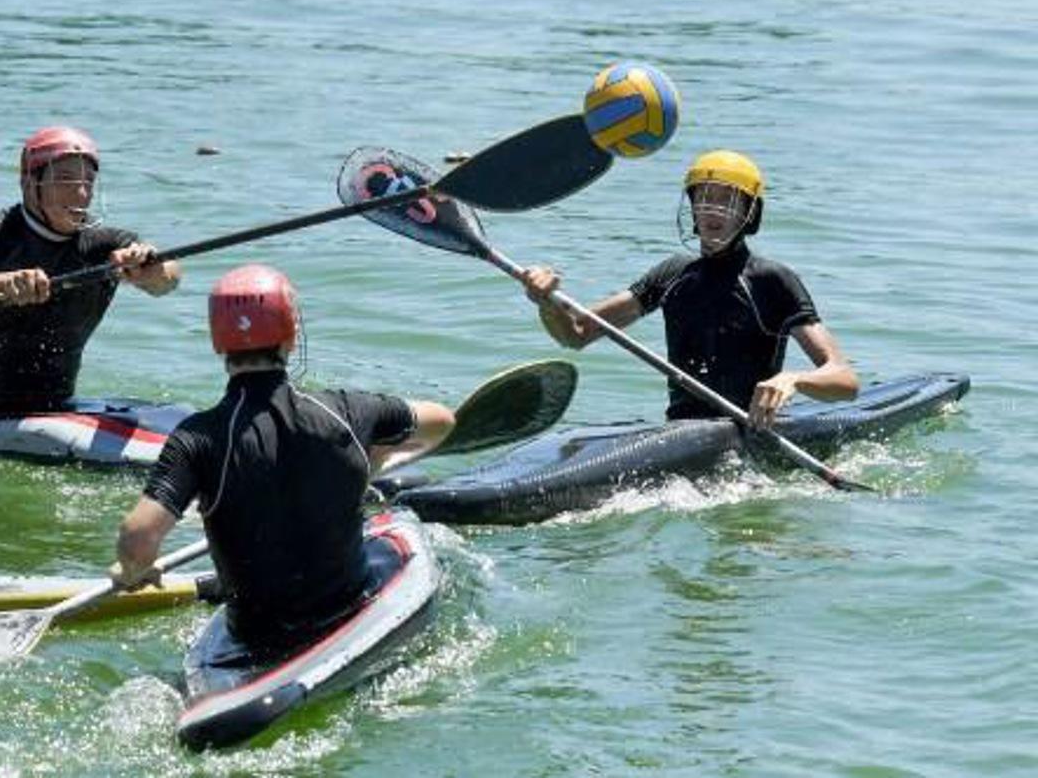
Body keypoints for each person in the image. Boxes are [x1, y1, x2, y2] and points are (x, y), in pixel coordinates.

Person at [111, 264, 454, 653]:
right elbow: (442, 421)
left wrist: (133, 569)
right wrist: (367, 461)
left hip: (256, 641)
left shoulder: (196, 437)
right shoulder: (346, 411)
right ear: (290, 334)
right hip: (346, 612)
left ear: (217, 342)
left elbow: (138, 535)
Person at [521, 149, 858, 428]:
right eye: (705, 198)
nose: (713, 209)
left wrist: (794, 380)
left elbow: (844, 380)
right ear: (692, 207)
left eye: (728, 200)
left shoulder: (772, 280)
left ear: (749, 214)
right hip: (680, 430)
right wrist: (546, 301)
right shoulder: (673, 273)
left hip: (748, 428)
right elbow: (576, 333)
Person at [0, 125, 182, 414]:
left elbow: (169, 280)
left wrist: (148, 268)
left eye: (88, 181)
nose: (81, 193)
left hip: (57, 408)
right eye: (65, 180)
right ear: (30, 183)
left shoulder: (108, 245)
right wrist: (6, 284)